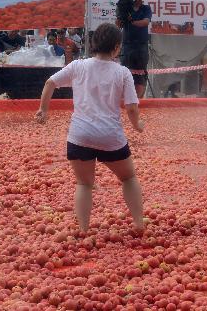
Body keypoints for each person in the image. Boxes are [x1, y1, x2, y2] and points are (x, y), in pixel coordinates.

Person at [35, 23, 145, 233]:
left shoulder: (79, 66)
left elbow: (50, 83)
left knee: (84, 184)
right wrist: (137, 125)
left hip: (80, 135)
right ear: (116, 47)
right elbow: (131, 107)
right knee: (128, 178)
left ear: (94, 44)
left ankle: (84, 229)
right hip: (110, 136)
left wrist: (44, 110)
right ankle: (139, 223)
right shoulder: (122, 73)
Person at [117, 0, 152, 98]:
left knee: (140, 75)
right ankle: (125, 100)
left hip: (141, 47)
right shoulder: (126, 8)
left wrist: (131, 22)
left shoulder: (146, 8)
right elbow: (118, 25)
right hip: (127, 46)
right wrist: (120, 17)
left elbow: (145, 22)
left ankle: (138, 101)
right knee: (124, 74)